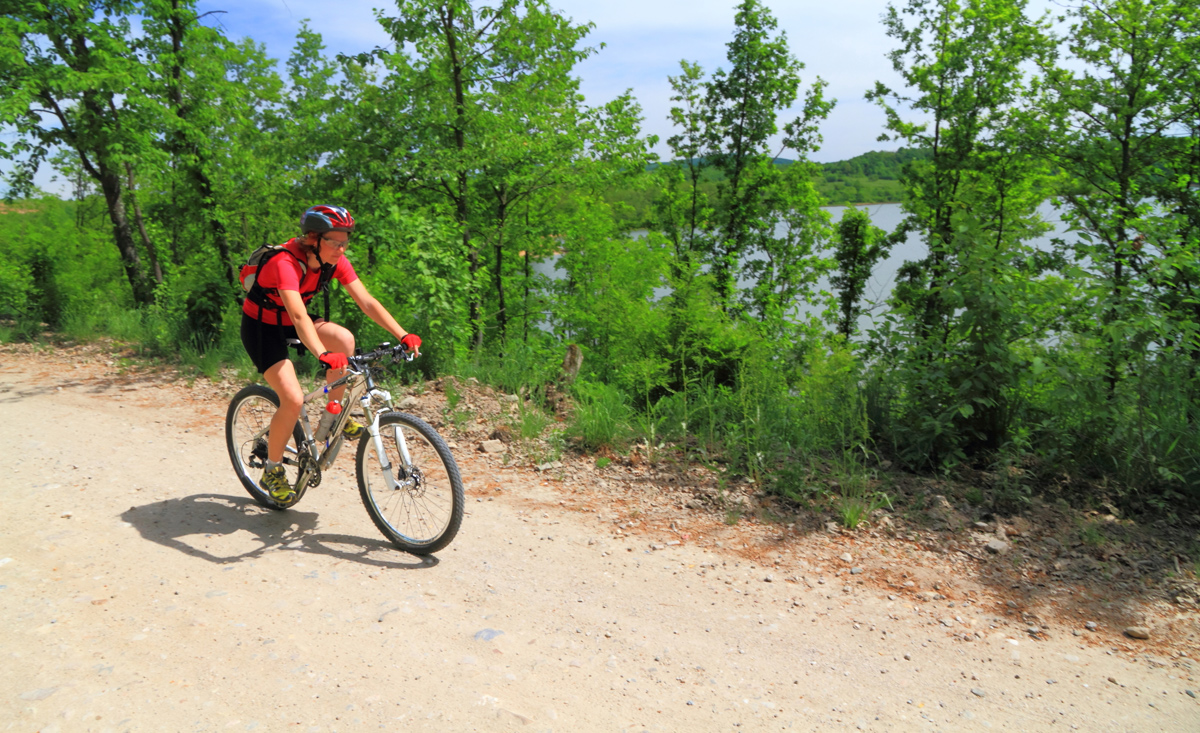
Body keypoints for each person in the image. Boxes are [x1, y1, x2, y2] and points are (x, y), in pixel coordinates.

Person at [240, 205, 421, 503]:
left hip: (291, 320)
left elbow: (366, 301)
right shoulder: (284, 262)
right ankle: (272, 469)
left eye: (345, 242)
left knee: (345, 340)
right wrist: (323, 354)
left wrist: (401, 333)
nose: (342, 249)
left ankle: (333, 415)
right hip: (262, 328)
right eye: (335, 243)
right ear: (314, 239)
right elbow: (299, 317)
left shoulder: (334, 261)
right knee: (293, 399)